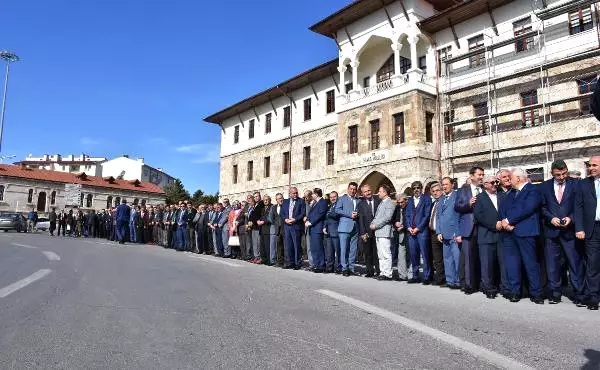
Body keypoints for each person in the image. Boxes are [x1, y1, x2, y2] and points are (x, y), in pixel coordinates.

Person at [541, 160, 584, 304]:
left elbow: (579, 205)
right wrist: (550, 218)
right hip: (551, 231)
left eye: (564, 173)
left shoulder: (576, 184)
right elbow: (542, 207)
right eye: (558, 175)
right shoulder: (544, 186)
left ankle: (578, 293)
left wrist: (571, 218)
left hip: (570, 231)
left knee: (575, 262)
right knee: (552, 264)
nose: (562, 177)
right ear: (552, 173)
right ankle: (555, 293)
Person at [500, 168, 544, 304]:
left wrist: (509, 221)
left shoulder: (533, 190)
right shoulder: (511, 193)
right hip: (509, 233)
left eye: (511, 177)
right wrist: (505, 222)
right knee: (512, 264)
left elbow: (527, 208)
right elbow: (503, 209)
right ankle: (515, 292)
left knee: (530, 263)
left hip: (526, 232)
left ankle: (536, 293)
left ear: (518, 178)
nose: (509, 180)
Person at [574, 155, 600, 310]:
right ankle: (593, 297)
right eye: (589, 165)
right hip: (592, 230)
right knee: (593, 265)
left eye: (595, 165)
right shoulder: (583, 184)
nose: (591, 168)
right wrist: (579, 228)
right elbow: (578, 207)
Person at [455, 166, 484, 294]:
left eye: (483, 175)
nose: (482, 177)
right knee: (468, 258)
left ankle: (480, 283)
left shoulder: (484, 190)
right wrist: (468, 204)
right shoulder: (463, 190)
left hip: (483, 228)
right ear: (472, 176)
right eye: (479, 175)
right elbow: (457, 207)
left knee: (481, 257)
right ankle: (469, 285)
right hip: (468, 228)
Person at [473, 175, 503, 299]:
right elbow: (479, 216)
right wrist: (494, 225)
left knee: (500, 263)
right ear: (485, 184)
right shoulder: (478, 198)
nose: (495, 184)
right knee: (487, 264)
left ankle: (500, 285)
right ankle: (488, 287)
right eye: (492, 182)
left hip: (501, 235)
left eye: (496, 182)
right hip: (486, 235)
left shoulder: (501, 195)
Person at [405, 181, 433, 284]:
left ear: (421, 188)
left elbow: (427, 215)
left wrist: (418, 228)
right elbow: (406, 215)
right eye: (414, 188)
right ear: (412, 190)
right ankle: (415, 276)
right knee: (413, 254)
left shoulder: (427, 199)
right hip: (411, 232)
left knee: (425, 254)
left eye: (418, 187)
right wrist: (408, 227)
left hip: (422, 232)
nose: (416, 190)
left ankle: (426, 276)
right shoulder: (409, 201)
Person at [436, 177, 461, 290]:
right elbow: (438, 216)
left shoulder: (457, 196)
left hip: (454, 233)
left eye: (446, 184)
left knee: (457, 258)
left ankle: (459, 281)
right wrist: (439, 232)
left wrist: (458, 232)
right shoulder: (441, 199)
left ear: (452, 185)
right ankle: (450, 280)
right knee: (447, 258)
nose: (444, 186)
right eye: (443, 185)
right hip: (444, 234)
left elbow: (460, 215)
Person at [370, 185, 395, 281]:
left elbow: (387, 217)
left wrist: (376, 225)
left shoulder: (389, 202)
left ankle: (388, 273)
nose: (378, 193)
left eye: (380, 191)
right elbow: (378, 216)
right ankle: (382, 272)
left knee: (386, 254)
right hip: (379, 232)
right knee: (380, 254)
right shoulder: (382, 203)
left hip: (384, 231)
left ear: (385, 192)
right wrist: (373, 222)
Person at [335, 182, 360, 277]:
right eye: (351, 189)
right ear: (348, 189)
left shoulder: (358, 200)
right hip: (344, 227)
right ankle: (344, 268)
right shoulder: (342, 199)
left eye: (354, 189)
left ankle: (351, 268)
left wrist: (357, 214)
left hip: (355, 227)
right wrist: (350, 214)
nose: (352, 191)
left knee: (353, 249)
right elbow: (337, 210)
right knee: (344, 249)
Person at [357, 184, 380, 277]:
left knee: (377, 252)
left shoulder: (378, 200)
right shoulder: (361, 204)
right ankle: (369, 271)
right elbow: (361, 220)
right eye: (365, 191)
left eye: (369, 190)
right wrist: (363, 233)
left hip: (378, 231)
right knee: (368, 252)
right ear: (362, 193)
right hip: (366, 232)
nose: (368, 193)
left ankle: (378, 271)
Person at [281, 187, 305, 269]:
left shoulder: (301, 201)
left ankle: (297, 263)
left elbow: (302, 213)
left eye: (296, 193)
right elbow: (282, 212)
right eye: (294, 193)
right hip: (287, 226)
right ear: (290, 194)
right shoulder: (285, 201)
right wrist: (285, 219)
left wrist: (295, 219)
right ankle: (289, 263)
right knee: (288, 245)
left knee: (296, 245)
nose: (295, 194)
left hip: (296, 226)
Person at [306, 188, 327, 273]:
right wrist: (307, 219)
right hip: (313, 228)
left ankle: (321, 266)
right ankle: (316, 264)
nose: (312, 196)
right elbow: (312, 213)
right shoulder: (315, 202)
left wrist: (311, 222)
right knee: (314, 248)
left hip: (317, 228)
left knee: (318, 248)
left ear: (317, 194)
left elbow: (320, 214)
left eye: (313, 194)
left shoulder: (323, 202)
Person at [429, 182, 445, 286]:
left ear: (442, 190)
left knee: (445, 257)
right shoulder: (433, 204)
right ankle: (440, 278)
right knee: (437, 258)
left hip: (443, 233)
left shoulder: (444, 202)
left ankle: (447, 278)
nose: (435, 193)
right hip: (433, 233)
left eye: (437, 190)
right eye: (433, 191)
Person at [393, 194, 409, 281]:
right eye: (398, 202)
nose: (400, 204)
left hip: (409, 233)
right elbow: (394, 219)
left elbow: (412, 220)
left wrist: (404, 226)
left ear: (406, 200)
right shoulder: (398, 208)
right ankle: (402, 275)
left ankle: (411, 274)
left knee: (410, 255)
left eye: (402, 202)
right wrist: (396, 223)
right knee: (401, 255)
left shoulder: (410, 207)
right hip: (400, 234)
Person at [324, 191, 340, 274]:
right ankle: (329, 267)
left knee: (338, 251)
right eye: (331, 197)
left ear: (337, 197)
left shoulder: (339, 205)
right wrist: (324, 227)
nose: (333, 198)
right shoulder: (330, 206)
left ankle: (338, 267)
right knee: (329, 251)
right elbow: (326, 218)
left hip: (336, 231)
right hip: (329, 232)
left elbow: (335, 215)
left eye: (334, 197)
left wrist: (329, 213)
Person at [249, 192, 264, 263]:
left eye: (257, 196)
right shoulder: (255, 205)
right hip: (254, 226)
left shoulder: (261, 204)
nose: (256, 198)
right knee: (255, 243)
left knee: (258, 243)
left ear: (260, 197)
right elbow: (252, 215)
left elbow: (257, 215)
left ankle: (259, 257)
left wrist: (253, 221)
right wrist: (250, 221)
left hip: (258, 226)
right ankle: (256, 256)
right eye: (254, 197)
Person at [258, 195, 274, 264]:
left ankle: (268, 260)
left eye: (267, 199)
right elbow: (260, 217)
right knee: (262, 246)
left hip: (268, 228)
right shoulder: (262, 208)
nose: (265, 201)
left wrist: (263, 221)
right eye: (264, 200)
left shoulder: (272, 207)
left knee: (268, 246)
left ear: (270, 200)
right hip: (262, 229)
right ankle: (263, 259)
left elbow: (270, 217)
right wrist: (258, 221)